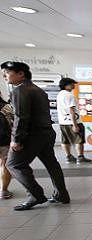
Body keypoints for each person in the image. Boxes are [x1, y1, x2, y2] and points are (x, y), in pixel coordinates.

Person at [1, 61, 70, 211]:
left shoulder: (20, 90)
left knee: (14, 164)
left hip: (33, 134)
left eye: (7, 72)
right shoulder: (38, 90)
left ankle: (35, 195)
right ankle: (61, 194)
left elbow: (21, 117)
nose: (4, 76)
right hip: (47, 132)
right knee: (51, 163)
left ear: (21, 74)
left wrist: (16, 139)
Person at [56, 78, 92, 164]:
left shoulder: (60, 94)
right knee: (79, 140)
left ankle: (69, 157)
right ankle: (80, 157)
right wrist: (75, 125)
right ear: (66, 85)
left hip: (63, 122)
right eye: (72, 84)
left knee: (65, 140)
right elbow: (72, 111)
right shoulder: (69, 95)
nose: (74, 85)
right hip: (72, 121)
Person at [0, 92, 14, 199]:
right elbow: (12, 123)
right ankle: (3, 191)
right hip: (3, 140)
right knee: (4, 164)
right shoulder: (5, 107)